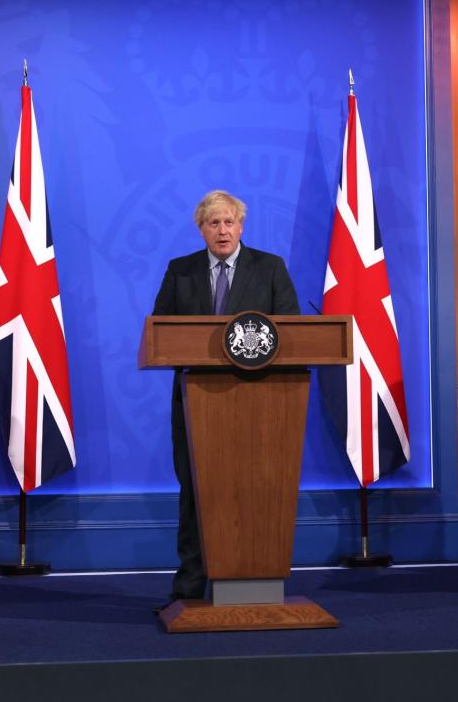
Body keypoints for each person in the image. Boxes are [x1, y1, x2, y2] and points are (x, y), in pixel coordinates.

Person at [151, 190, 299, 608]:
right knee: (195, 492)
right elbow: (161, 331)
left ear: (242, 226)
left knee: (258, 488)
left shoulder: (269, 269)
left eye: (229, 222)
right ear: (200, 229)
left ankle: (257, 576)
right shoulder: (180, 272)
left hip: (260, 408)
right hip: (196, 404)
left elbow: (291, 332)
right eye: (213, 223)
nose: (222, 230)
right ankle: (191, 584)